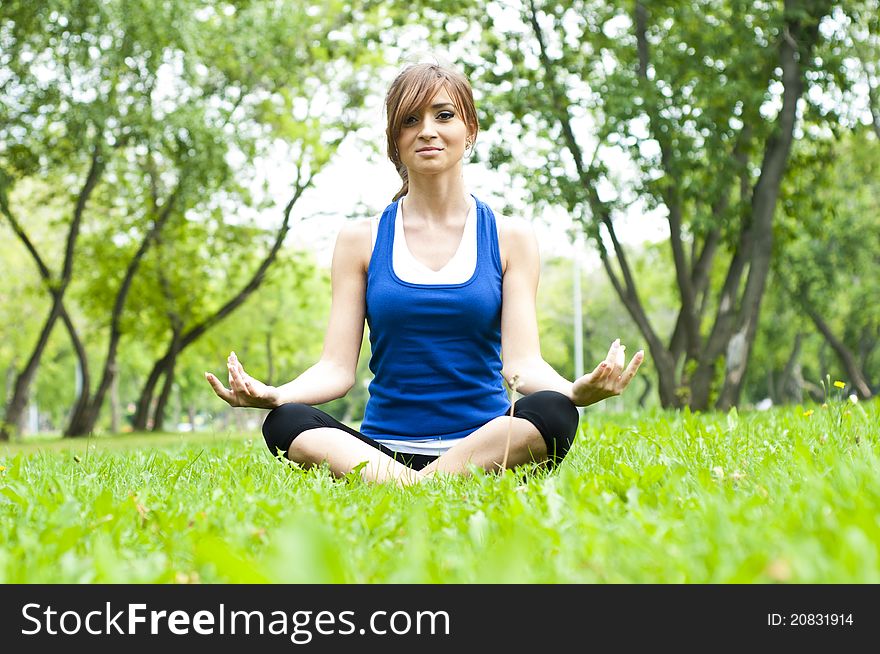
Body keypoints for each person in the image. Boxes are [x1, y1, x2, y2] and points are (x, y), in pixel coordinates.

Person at [205, 60, 644, 486]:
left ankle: (412, 486)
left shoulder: (510, 237)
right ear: (395, 140)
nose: (427, 130)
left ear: (469, 129)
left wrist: (575, 391)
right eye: (410, 119)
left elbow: (522, 366)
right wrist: (276, 395)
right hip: (380, 451)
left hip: (482, 448)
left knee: (555, 412)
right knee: (286, 422)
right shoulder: (361, 240)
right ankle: (420, 483)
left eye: (444, 115)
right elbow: (338, 370)